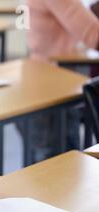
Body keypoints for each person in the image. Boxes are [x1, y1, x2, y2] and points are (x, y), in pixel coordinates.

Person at [22, 0, 99, 162]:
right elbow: (95, 36)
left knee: (64, 164)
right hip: (51, 85)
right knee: (58, 165)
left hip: (53, 79)